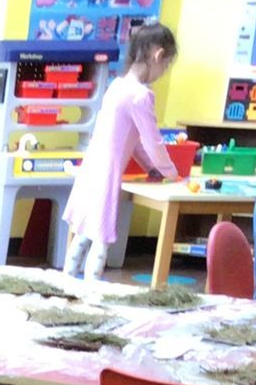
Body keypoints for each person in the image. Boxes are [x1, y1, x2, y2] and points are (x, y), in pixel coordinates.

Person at [62, 24, 178, 282]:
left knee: (84, 231)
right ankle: (92, 291)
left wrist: (151, 168)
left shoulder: (117, 86)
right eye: (166, 65)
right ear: (158, 56)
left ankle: (66, 282)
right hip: (106, 173)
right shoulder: (140, 96)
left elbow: (134, 141)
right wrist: (171, 172)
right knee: (100, 237)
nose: (163, 72)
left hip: (92, 167)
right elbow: (153, 142)